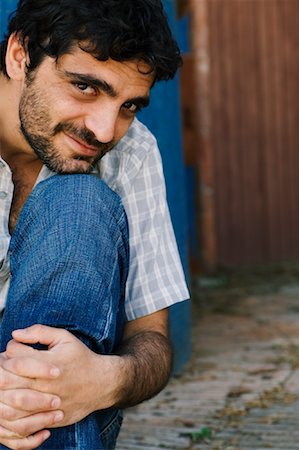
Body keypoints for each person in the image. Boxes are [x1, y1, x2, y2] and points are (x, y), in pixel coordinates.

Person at [0, 0, 189, 449]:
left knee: (77, 201)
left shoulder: (132, 151)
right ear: (19, 54)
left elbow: (151, 338)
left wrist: (104, 379)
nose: (105, 131)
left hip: (58, 423)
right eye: (85, 86)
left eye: (129, 106)